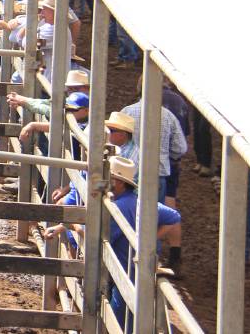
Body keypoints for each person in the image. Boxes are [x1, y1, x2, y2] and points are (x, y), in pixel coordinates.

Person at [44, 156, 182, 324]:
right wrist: (148, 240)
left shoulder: (118, 208)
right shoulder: (139, 202)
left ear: (118, 183)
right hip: (133, 268)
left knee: (118, 320)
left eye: (108, 179)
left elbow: (90, 235)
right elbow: (174, 216)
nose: (104, 182)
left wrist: (69, 224)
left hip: (123, 272)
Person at [121, 84, 187, 208]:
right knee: (154, 217)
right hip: (158, 172)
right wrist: (167, 156)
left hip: (128, 172)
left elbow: (115, 138)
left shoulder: (127, 111)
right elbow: (180, 148)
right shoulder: (168, 116)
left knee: (127, 214)